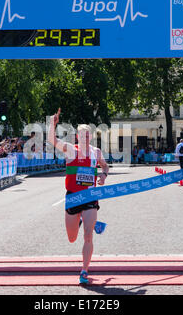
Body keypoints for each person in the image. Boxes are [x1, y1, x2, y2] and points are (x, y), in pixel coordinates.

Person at [48, 108, 109, 285]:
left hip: (90, 196)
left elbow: (105, 166)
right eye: (82, 136)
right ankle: (81, 219)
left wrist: (103, 175)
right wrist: (52, 124)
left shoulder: (96, 152)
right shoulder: (70, 150)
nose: (85, 138)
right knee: (72, 237)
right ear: (77, 137)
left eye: (88, 136)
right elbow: (52, 140)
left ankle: (84, 270)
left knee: (88, 236)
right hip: (73, 197)